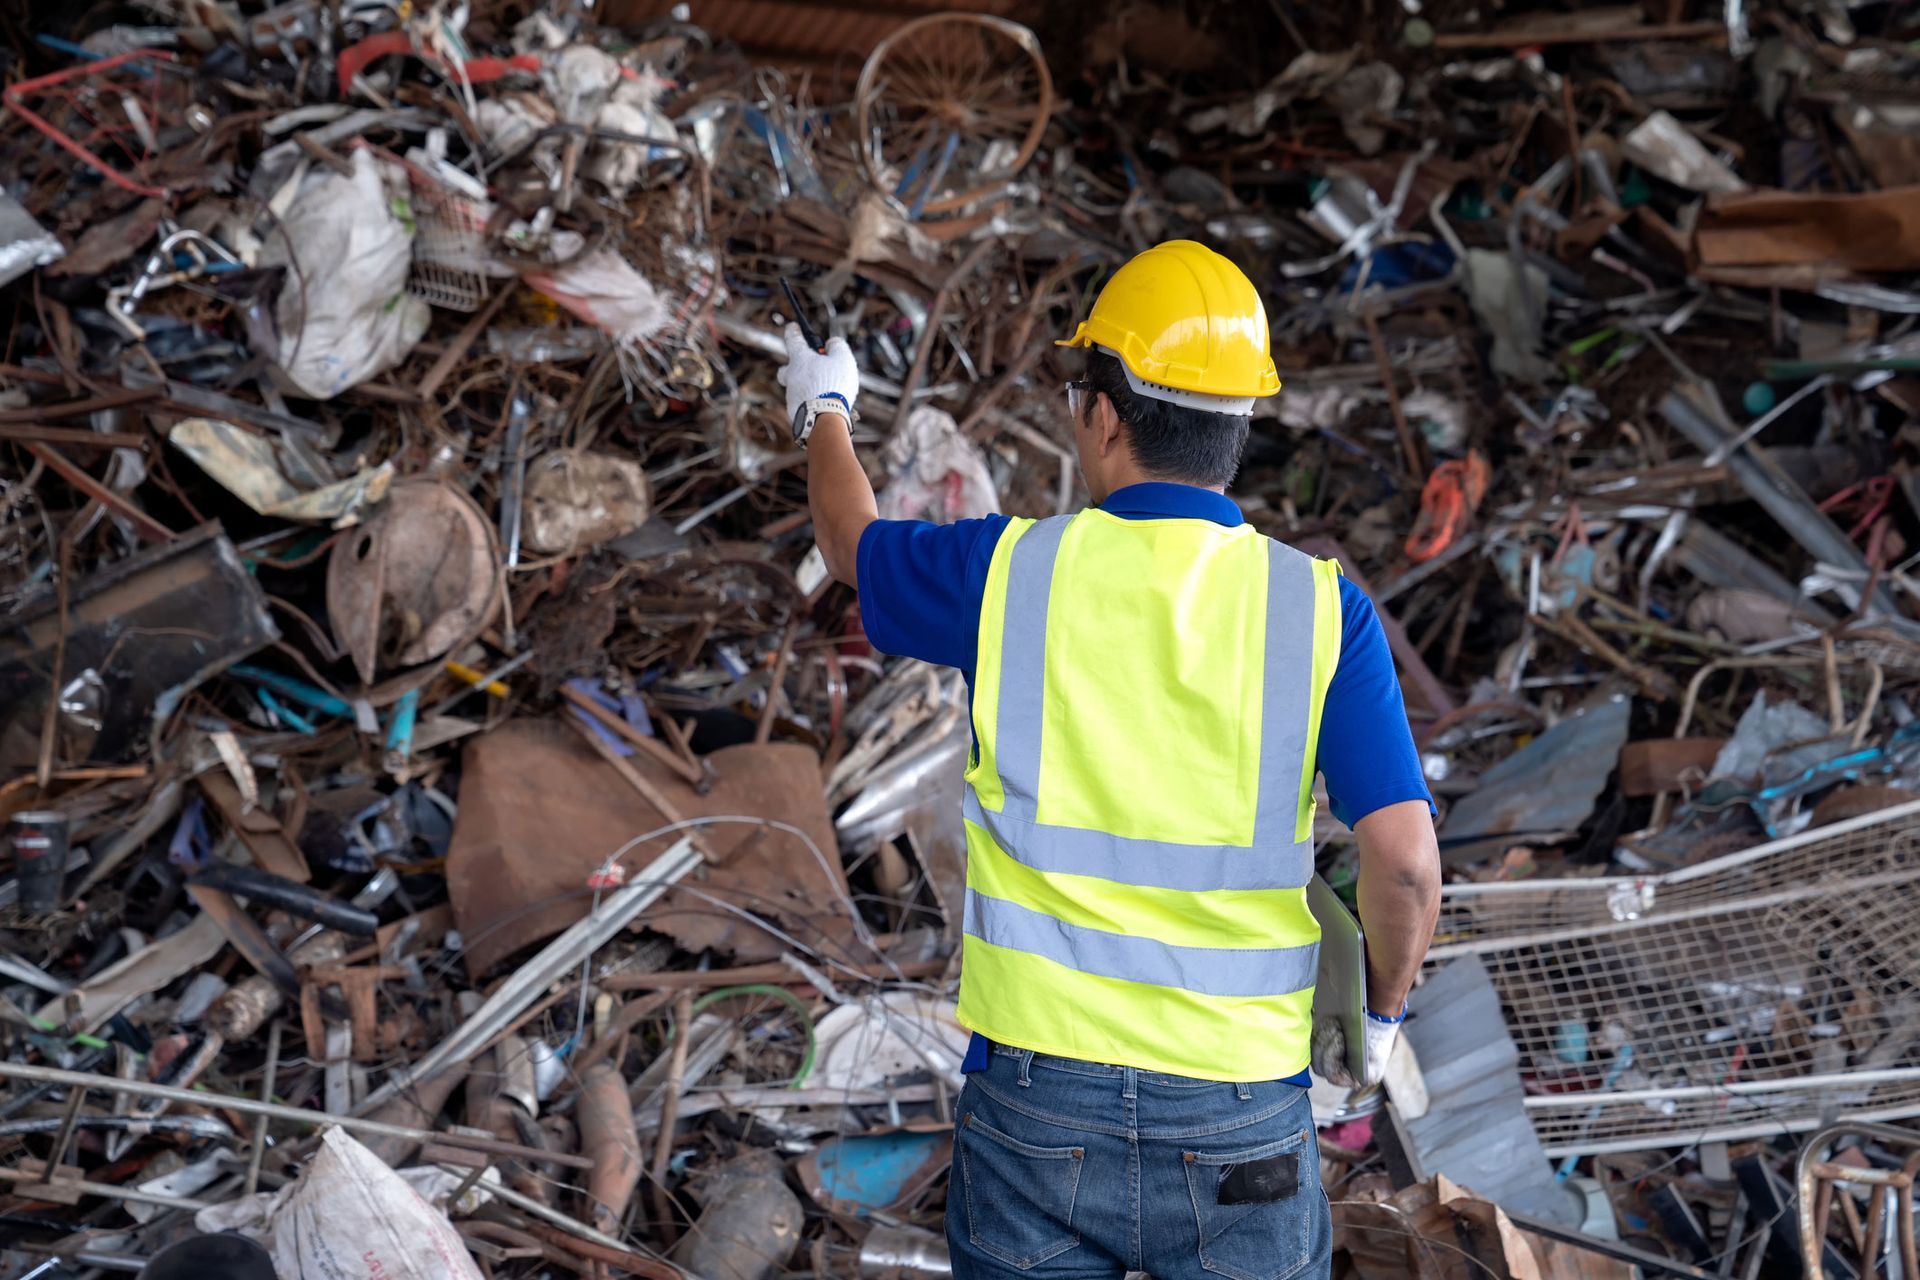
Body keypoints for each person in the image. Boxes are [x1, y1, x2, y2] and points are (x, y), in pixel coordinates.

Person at [780, 239, 1441, 1280]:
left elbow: (850, 540)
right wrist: (1382, 1022)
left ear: (1102, 415)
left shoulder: (1007, 574)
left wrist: (824, 404)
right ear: (1239, 431)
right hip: (1239, 1109)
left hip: (1040, 1102)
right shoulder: (1319, 610)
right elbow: (1403, 860)